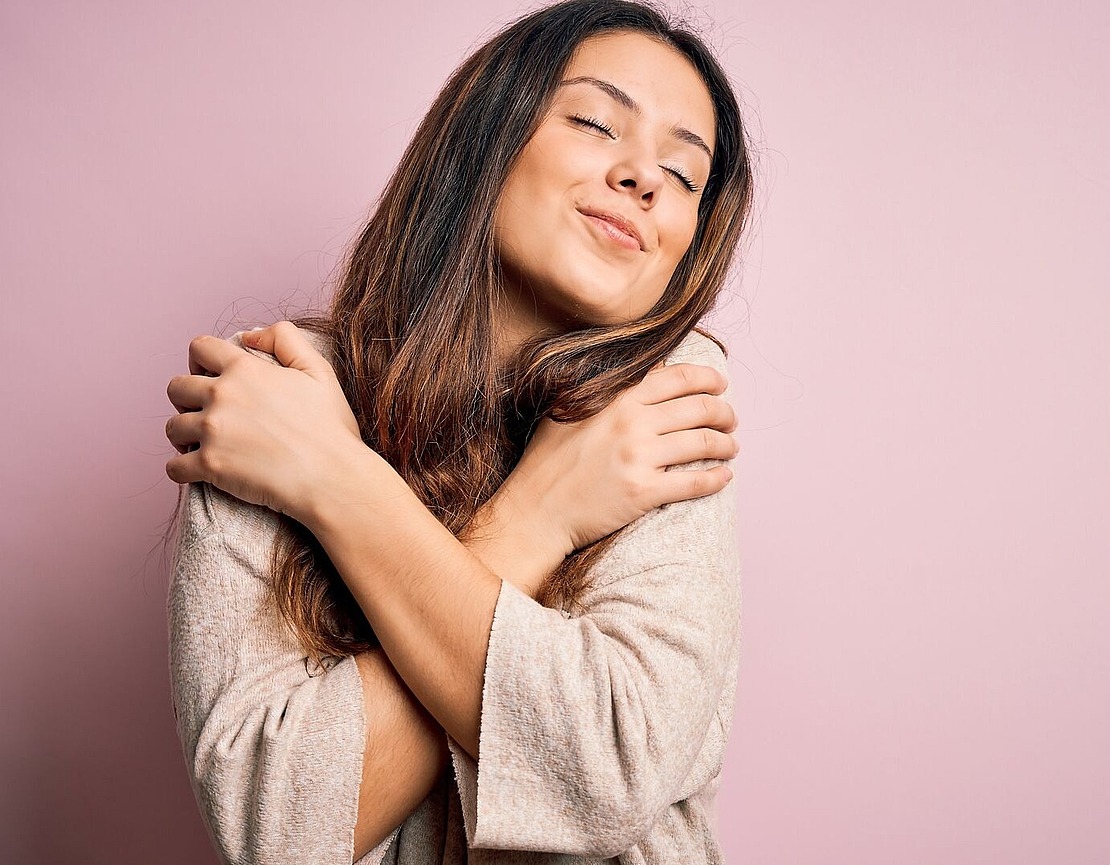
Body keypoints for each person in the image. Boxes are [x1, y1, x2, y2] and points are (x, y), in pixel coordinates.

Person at [164, 1, 754, 862]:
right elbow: (276, 823)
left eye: (684, 174)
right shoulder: (282, 403)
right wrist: (537, 520)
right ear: (487, 135)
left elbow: (604, 770)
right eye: (596, 122)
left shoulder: (663, 412)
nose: (644, 177)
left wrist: (332, 480)